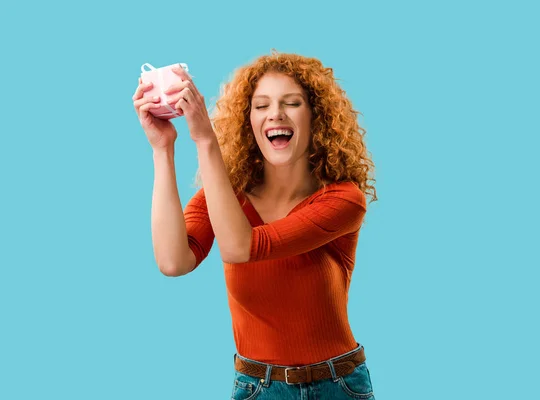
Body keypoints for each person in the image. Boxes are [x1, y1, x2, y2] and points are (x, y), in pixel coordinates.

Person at [132, 51, 378, 399]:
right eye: (261, 106)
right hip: (257, 388)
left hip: (339, 384)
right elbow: (174, 262)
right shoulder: (223, 200)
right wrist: (163, 149)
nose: (275, 113)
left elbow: (240, 247)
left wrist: (205, 139)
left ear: (316, 117)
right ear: (248, 121)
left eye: (291, 103)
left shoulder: (342, 199)